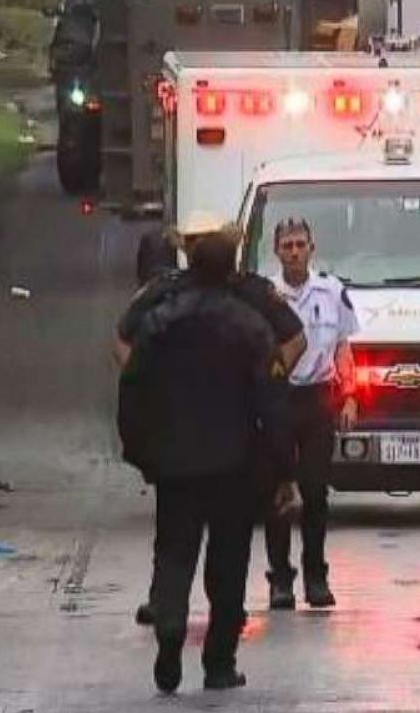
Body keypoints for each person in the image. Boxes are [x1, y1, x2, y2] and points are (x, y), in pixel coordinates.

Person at [116, 230, 294, 693]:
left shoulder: (159, 321)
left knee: (174, 553)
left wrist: (140, 451)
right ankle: (218, 662)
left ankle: (171, 631)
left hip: (174, 464)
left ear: (190, 265)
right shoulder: (251, 326)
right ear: (231, 266)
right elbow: (272, 402)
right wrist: (281, 469)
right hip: (235, 464)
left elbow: (132, 389)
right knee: (228, 563)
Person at [264, 217, 360, 610]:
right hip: (280, 398)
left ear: (312, 247)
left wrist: (350, 396)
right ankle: (280, 580)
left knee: (316, 491)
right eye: (287, 246)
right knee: (277, 493)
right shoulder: (267, 295)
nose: (295, 252)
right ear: (276, 251)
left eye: (301, 244)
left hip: (319, 398)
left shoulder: (332, 290)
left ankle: (316, 576)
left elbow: (343, 348)